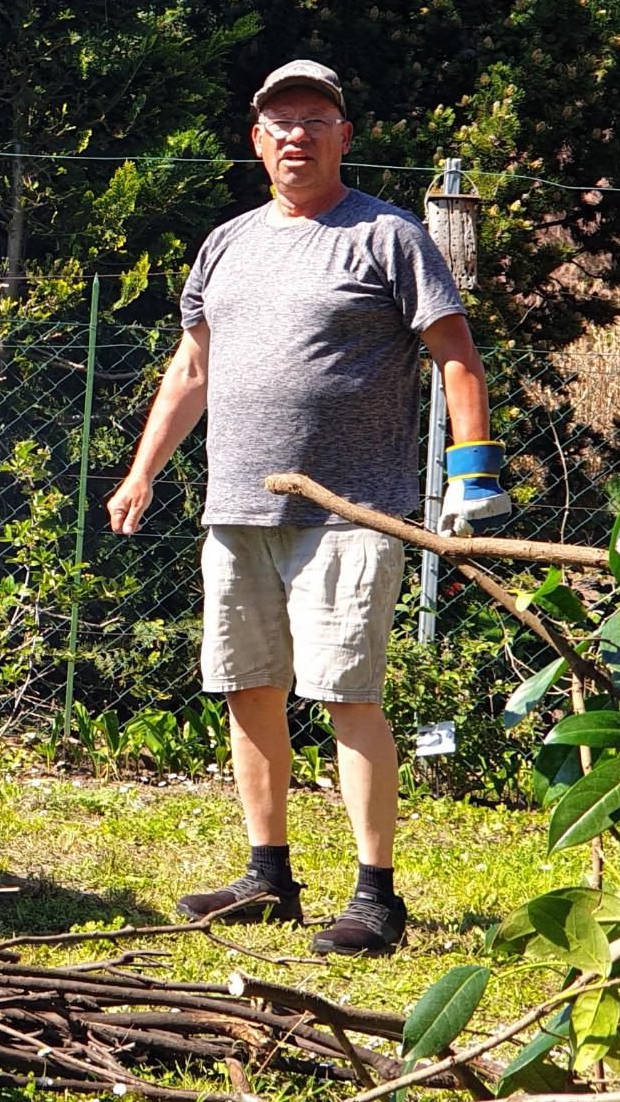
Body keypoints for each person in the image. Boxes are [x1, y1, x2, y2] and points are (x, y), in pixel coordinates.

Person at [105, 59, 508, 956]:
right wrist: (143, 472)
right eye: (280, 122)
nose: (296, 135)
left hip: (351, 512)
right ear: (257, 141)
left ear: (343, 137)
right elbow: (192, 369)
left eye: (314, 121)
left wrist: (474, 470)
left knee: (346, 694)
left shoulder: (389, 236)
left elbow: (456, 355)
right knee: (247, 687)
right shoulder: (225, 244)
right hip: (237, 507)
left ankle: (376, 898)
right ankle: (268, 878)